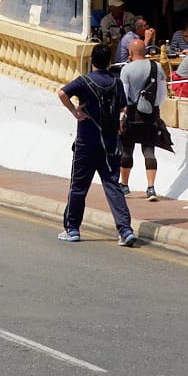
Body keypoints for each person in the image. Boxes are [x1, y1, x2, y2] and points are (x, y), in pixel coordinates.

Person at [55, 43, 138, 246]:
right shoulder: (116, 82)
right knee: (112, 185)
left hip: (86, 142)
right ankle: (125, 230)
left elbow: (62, 93)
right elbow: (122, 106)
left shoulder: (84, 81)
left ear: (92, 60)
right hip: (110, 142)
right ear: (109, 61)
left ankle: (73, 228)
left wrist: (75, 111)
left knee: (79, 186)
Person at [117, 39, 171, 202]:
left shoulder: (126, 70)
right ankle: (151, 187)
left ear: (131, 53)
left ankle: (125, 185)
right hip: (151, 116)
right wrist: (153, 108)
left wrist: (122, 116)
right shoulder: (157, 67)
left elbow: (123, 96)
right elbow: (163, 95)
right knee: (149, 151)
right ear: (145, 51)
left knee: (127, 150)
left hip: (132, 116)